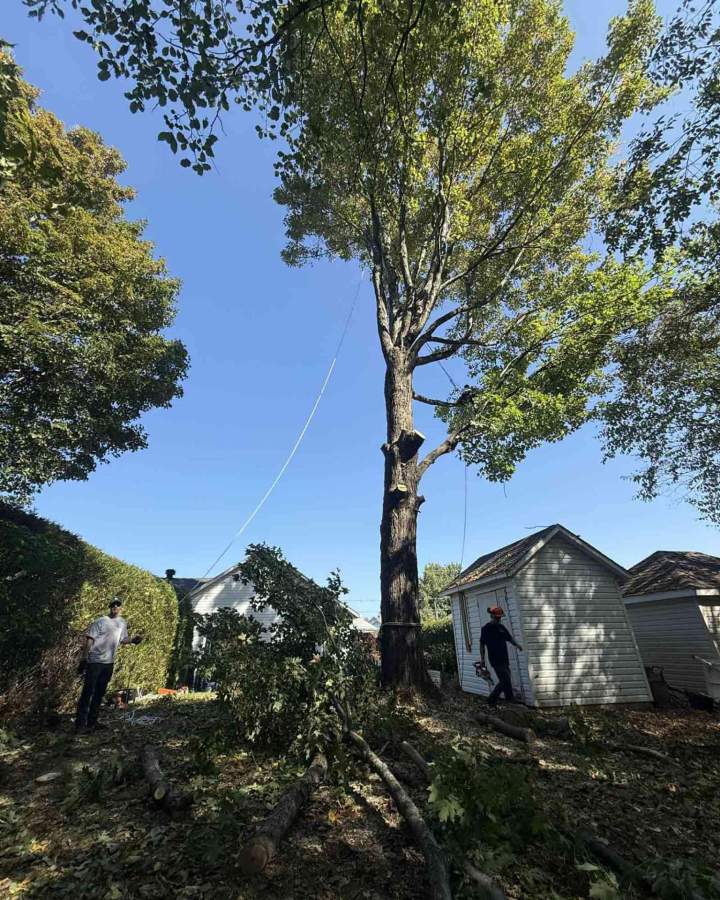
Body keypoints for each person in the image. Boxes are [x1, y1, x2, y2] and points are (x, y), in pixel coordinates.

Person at [75, 598, 142, 732]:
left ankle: (92, 723)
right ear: (109, 607)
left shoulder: (122, 623)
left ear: (121, 608)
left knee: (99, 694)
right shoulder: (100, 621)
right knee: (87, 693)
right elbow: (89, 640)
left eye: (118, 605)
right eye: (113, 605)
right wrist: (84, 659)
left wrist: (134, 640)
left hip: (108, 664)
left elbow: (123, 639)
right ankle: (80, 725)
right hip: (95, 662)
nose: (115, 607)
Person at [479, 606, 523, 706]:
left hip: (504, 658)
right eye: (497, 618)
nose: (498, 619)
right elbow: (482, 644)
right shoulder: (486, 629)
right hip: (495, 659)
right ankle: (492, 700)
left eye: (499, 618)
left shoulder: (501, 628)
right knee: (505, 680)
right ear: (491, 616)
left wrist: (517, 645)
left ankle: (508, 699)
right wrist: (482, 659)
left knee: (506, 679)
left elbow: (509, 638)